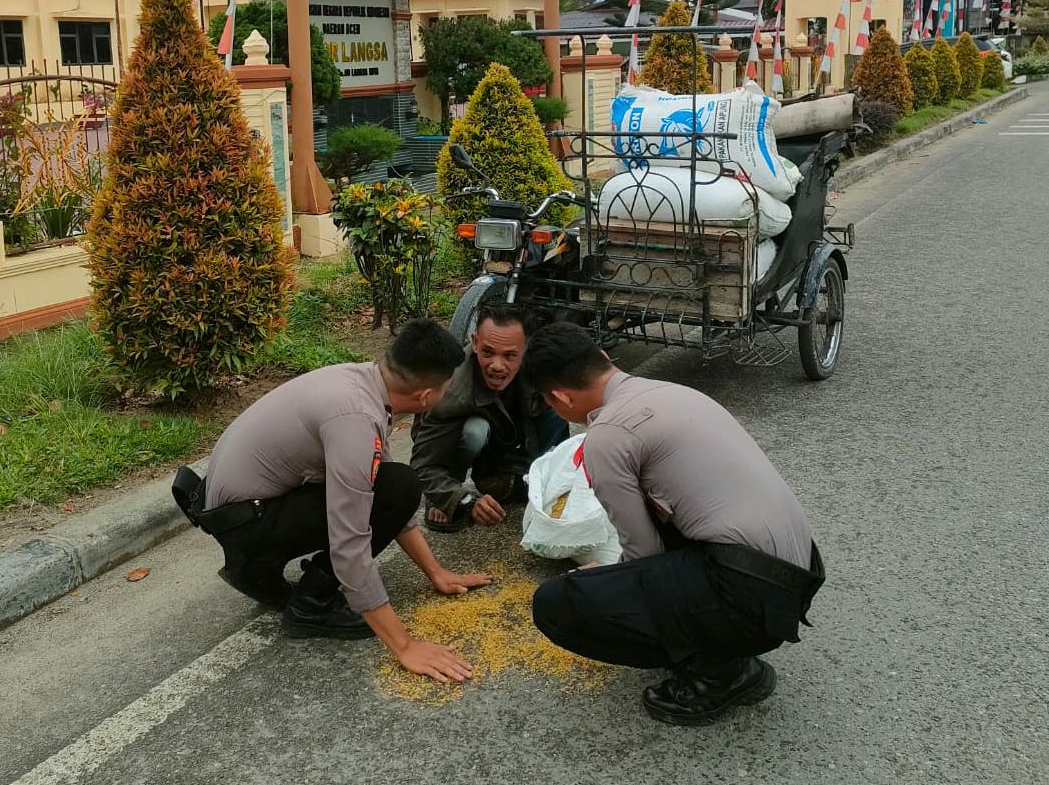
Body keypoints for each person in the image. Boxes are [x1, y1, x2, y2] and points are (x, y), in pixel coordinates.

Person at [520, 323, 825, 725]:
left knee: (557, 604)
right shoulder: (673, 392)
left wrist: (606, 583)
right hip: (796, 575)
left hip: (749, 594)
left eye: (549, 403)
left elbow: (643, 558)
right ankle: (722, 645)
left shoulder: (607, 437)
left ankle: (718, 673)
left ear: (559, 397)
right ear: (606, 360)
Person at [172, 319, 492, 683]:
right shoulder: (354, 418)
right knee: (398, 486)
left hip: (241, 510)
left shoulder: (364, 382)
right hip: (247, 523)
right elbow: (350, 541)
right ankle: (311, 604)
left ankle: (257, 569)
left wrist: (436, 572)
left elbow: (386, 490)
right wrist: (405, 647)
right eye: (446, 389)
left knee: (397, 483)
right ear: (424, 397)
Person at [410, 305, 570, 533]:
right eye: (487, 352)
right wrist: (460, 500)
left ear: (526, 349)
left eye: (510, 355)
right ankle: (446, 492)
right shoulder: (449, 392)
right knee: (475, 431)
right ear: (474, 342)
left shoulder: (542, 366)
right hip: (459, 434)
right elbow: (423, 465)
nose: (496, 365)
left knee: (558, 402)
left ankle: (523, 476)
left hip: (508, 433)